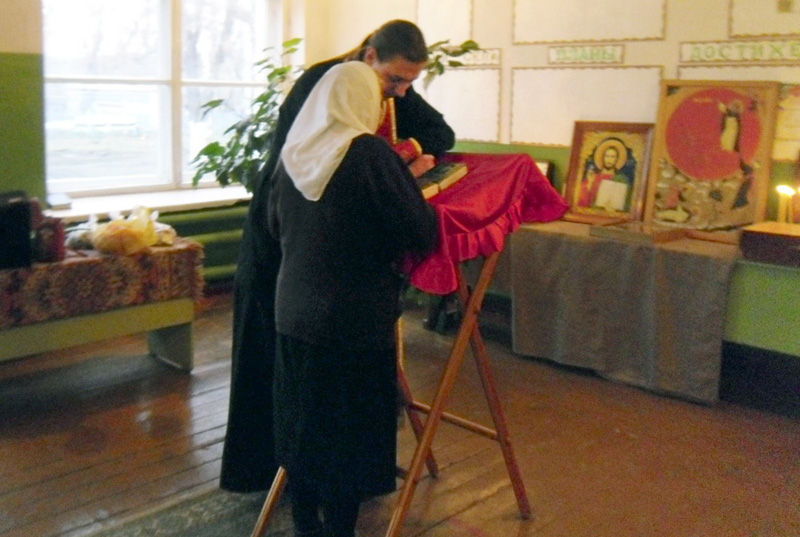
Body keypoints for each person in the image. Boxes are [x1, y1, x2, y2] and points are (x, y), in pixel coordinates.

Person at [220, 19, 455, 493]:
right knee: (291, 362)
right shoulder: (334, 83)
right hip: (293, 241)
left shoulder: (374, 95)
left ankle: (310, 481)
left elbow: (439, 133)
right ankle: (288, 472)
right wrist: (393, 174)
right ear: (370, 57)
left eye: (407, 83)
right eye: (394, 81)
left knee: (310, 370)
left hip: (307, 240)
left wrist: (400, 156)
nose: (399, 95)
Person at [268, 61, 438, 537]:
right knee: (348, 438)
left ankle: (305, 525)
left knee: (303, 427)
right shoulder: (367, 153)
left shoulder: (293, 152)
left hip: (292, 312)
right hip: (353, 320)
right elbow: (420, 232)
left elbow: (273, 227)